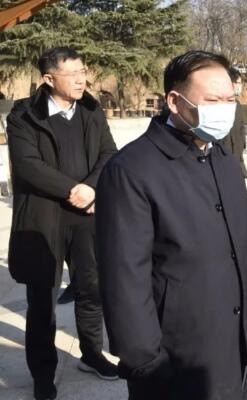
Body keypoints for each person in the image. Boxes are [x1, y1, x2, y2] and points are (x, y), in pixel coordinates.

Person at [95, 50, 247, 400]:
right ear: (174, 101)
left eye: (230, 100)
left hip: (233, 337)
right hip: (176, 355)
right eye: (212, 101)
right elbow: (123, 277)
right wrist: (145, 360)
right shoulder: (131, 170)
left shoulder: (223, 158)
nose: (225, 109)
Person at [6, 47, 119, 400]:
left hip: (87, 217)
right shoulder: (24, 115)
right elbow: (28, 164)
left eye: (83, 71)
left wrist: (92, 188)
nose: (82, 79)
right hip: (43, 220)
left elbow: (109, 153)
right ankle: (43, 374)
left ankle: (91, 354)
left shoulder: (91, 109)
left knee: (92, 289)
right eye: (73, 74)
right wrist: (74, 190)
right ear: (49, 79)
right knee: (42, 300)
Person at [220, 67, 247, 178]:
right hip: (222, 156)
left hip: (237, 156)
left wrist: (242, 144)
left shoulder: (238, 105)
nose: (240, 86)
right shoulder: (218, 105)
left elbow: (241, 127)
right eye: (239, 83)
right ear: (230, 83)